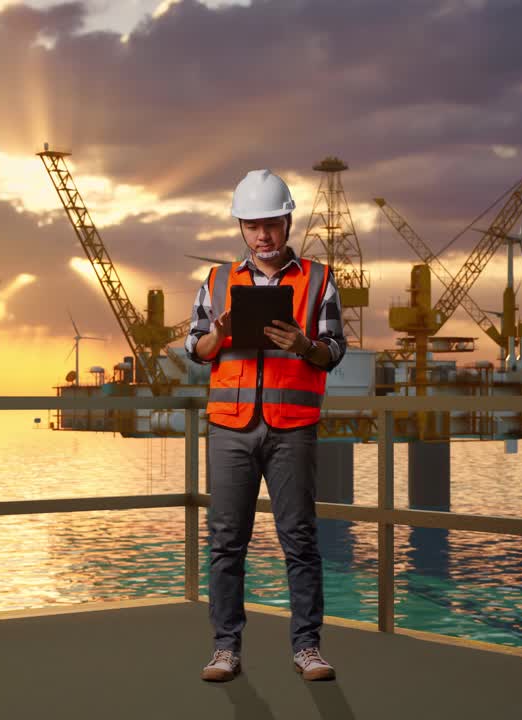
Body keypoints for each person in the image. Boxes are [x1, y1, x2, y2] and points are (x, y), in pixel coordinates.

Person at [185, 168, 347, 682]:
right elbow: (196, 350)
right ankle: (225, 649)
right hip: (230, 427)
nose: (263, 236)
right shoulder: (215, 282)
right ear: (240, 228)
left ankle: (307, 648)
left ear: (287, 221)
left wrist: (304, 346)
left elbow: (334, 350)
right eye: (253, 226)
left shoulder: (319, 280)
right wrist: (219, 337)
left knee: (298, 538)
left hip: (291, 426)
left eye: (272, 224)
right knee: (226, 541)